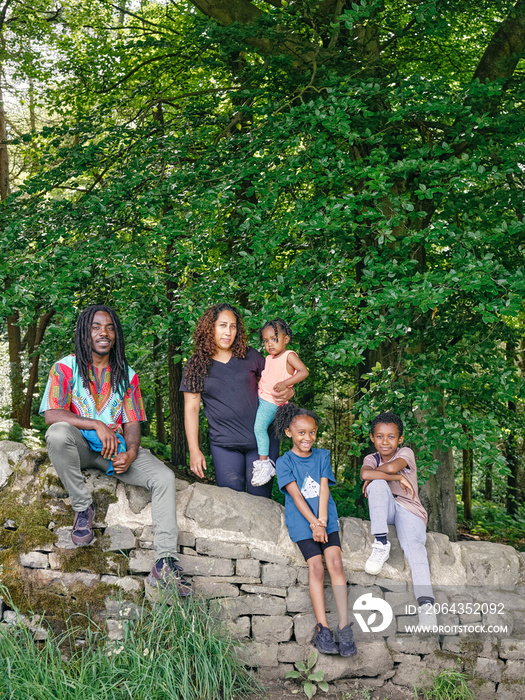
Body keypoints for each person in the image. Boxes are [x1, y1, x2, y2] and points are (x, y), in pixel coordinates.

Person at [40, 305, 190, 596]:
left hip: (115, 454)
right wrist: (95, 424)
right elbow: (52, 415)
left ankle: (165, 562)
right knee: (57, 434)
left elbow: (133, 422)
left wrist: (131, 453)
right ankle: (83, 508)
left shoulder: (127, 375)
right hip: (80, 448)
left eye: (109, 327)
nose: (103, 333)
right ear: (85, 334)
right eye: (96, 327)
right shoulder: (64, 368)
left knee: (164, 477)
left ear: (116, 335)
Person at [180, 303, 293, 497]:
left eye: (233, 326)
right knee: (233, 505)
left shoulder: (250, 356)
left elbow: (278, 382)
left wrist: (290, 393)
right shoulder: (195, 365)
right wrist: (194, 449)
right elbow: (191, 410)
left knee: (260, 504)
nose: (228, 332)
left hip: (262, 442)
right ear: (210, 327)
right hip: (224, 445)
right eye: (223, 325)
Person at [275, 403, 357, 656]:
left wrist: (321, 521)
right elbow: (296, 495)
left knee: (335, 564)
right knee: (317, 567)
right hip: (302, 521)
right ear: (289, 432)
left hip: (326, 518)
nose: (307, 437)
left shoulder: (322, 455)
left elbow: (324, 487)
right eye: (301, 432)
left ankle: (344, 627)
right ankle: (323, 629)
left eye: (311, 432)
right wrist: (312, 523)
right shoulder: (283, 461)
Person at [360, 411, 437, 628]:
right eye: (380, 437)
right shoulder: (370, 458)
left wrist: (376, 474)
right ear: (372, 438)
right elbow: (369, 475)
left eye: (391, 436)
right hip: (387, 508)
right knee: (376, 485)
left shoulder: (406, 452)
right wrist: (397, 478)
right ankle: (381, 543)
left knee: (415, 548)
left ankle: (426, 607)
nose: (385, 442)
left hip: (409, 509)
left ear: (400, 438)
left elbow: (390, 466)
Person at [251, 318, 309, 488]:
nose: (270, 344)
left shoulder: (289, 356)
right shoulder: (269, 358)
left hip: (272, 402)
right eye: (266, 341)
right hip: (262, 398)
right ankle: (264, 463)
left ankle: (264, 464)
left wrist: (286, 384)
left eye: (274, 339)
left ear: (286, 339)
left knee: (259, 428)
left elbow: (303, 372)